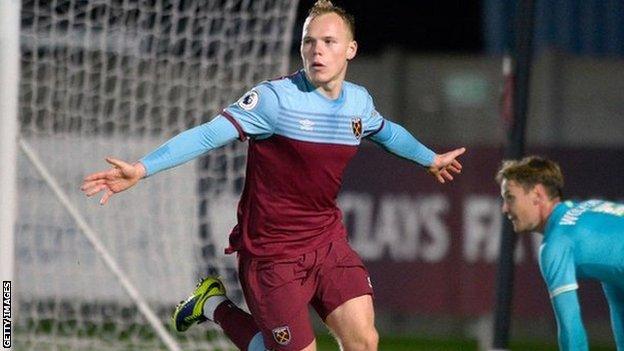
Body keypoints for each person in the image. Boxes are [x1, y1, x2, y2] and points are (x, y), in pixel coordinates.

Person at [81, 1, 466, 350]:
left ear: (350, 50)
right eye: (309, 41)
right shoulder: (274, 100)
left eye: (329, 41)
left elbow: (387, 132)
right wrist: (143, 168)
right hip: (272, 254)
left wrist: (429, 159)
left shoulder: (359, 102)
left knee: (365, 341)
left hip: (326, 240)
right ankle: (213, 304)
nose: (317, 50)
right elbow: (208, 134)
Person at [496, 156, 624, 351]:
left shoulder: (556, 244)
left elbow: (570, 327)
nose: (504, 208)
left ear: (537, 194)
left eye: (510, 197)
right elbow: (618, 295)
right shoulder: (591, 211)